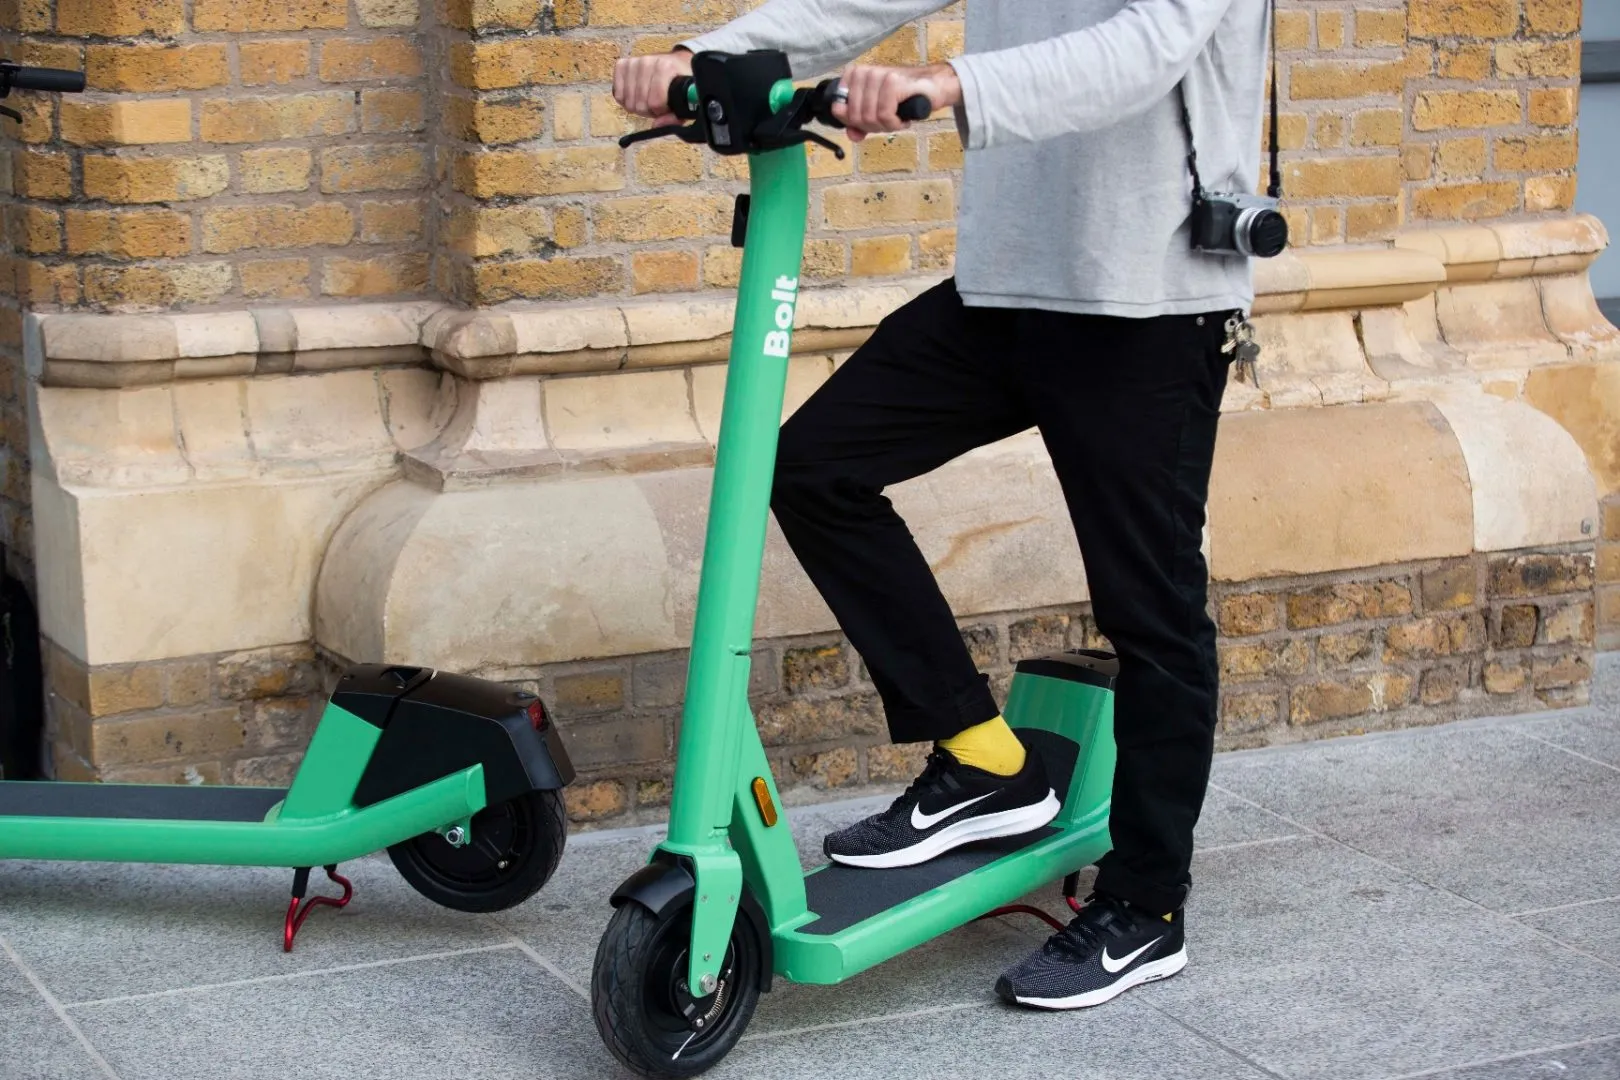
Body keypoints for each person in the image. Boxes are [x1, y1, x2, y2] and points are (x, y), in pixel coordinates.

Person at [615, 0, 1270, 1011]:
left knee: (1153, 612)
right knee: (814, 468)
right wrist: (704, 56)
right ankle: (985, 758)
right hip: (1005, 290)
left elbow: (1144, 49)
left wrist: (951, 83)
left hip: (1147, 298)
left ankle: (1147, 906)